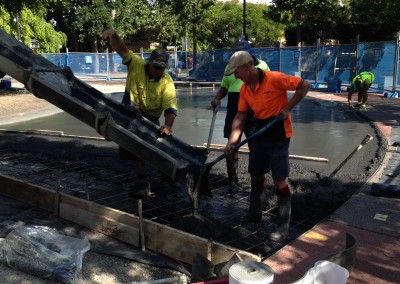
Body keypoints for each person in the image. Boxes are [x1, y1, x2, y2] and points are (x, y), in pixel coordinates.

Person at [223, 51, 310, 242]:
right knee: (256, 173)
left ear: (247, 67)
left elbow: (304, 85)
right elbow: (240, 116)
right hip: (260, 131)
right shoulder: (246, 89)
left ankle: (283, 226)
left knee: (279, 179)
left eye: (236, 72)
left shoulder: (275, 78)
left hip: (279, 133)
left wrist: (288, 108)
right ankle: (255, 214)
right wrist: (232, 140)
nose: (235, 77)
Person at [102, 29, 177, 197]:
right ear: (149, 63)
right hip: (129, 111)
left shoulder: (166, 81)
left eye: (162, 68)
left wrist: (168, 126)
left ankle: (165, 172)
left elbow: (170, 107)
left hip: (151, 116)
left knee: (157, 146)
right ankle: (144, 181)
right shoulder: (136, 64)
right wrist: (113, 35)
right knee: (132, 148)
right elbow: (121, 49)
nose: (158, 70)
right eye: (156, 66)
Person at [211, 41, 270, 195]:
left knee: (255, 146)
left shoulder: (262, 66)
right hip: (234, 108)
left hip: (254, 110)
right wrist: (217, 97)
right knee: (232, 145)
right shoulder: (230, 65)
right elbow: (225, 86)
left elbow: (268, 88)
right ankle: (233, 182)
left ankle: (258, 186)